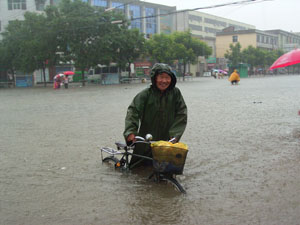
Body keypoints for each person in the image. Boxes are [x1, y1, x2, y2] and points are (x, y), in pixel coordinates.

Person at [123, 63, 188, 167]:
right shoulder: (145, 94)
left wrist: (175, 134)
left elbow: (182, 114)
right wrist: (131, 132)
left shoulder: (175, 93)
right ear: (154, 78)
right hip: (145, 140)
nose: (164, 81)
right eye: (161, 77)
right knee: (137, 169)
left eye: (167, 78)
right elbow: (133, 111)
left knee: (166, 169)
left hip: (166, 142)